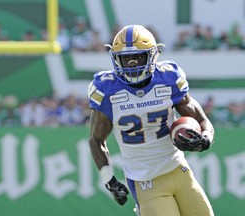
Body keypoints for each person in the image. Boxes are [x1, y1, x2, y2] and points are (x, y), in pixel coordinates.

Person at [88, 25, 215, 216]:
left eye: (138, 57)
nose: (132, 64)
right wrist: (110, 180)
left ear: (153, 56)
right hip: (145, 181)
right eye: (125, 59)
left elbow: (202, 120)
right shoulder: (106, 90)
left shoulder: (169, 78)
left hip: (179, 171)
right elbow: (96, 140)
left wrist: (205, 138)